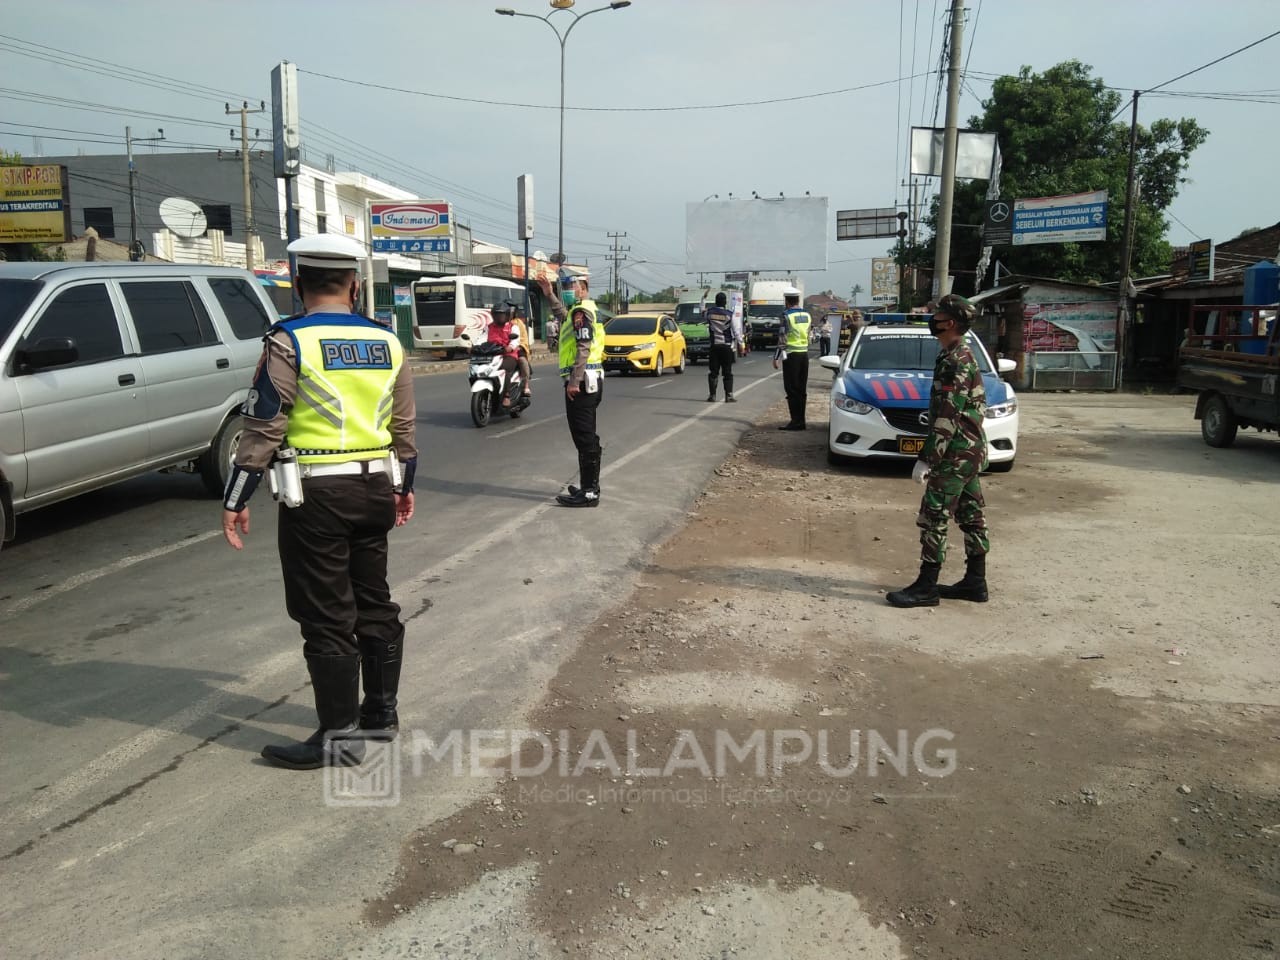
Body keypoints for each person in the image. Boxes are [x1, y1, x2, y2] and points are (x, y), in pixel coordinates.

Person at [221, 233, 418, 769]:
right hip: (376, 485)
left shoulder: (288, 341)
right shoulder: (388, 341)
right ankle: (380, 716)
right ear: (354, 284)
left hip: (317, 495)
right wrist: (404, 486)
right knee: (374, 601)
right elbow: (403, 426)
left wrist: (237, 494)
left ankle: (341, 736)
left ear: (298, 283)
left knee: (328, 614)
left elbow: (264, 425)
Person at [887, 294, 990, 608]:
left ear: (952, 323)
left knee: (934, 517)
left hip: (954, 454)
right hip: (968, 452)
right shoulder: (954, 355)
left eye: (938, 315)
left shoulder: (956, 360)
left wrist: (926, 458)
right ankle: (975, 582)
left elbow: (948, 414)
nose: (933, 319)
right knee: (971, 516)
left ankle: (926, 587)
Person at [538, 270, 605, 507]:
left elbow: (583, 346)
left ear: (584, 289)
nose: (568, 289)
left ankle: (589, 493)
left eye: (572, 285)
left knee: (584, 436)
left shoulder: (582, 311)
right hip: (590, 379)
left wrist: (575, 381)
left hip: (583, 382)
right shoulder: (581, 311)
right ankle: (589, 486)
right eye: (565, 285)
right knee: (585, 436)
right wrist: (549, 294)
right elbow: (563, 316)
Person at [771, 286, 812, 430]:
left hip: (791, 355)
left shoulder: (786, 315)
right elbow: (809, 336)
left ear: (787, 301)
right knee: (801, 389)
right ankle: (801, 420)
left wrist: (776, 357)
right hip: (804, 354)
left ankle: (796, 421)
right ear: (798, 300)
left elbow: (782, 337)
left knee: (791, 388)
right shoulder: (807, 315)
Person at [485, 299, 523, 407]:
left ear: (507, 315)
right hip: (492, 355)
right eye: (497, 315)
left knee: (503, 369)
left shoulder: (512, 327)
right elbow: (481, 338)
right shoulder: (489, 327)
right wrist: (473, 346)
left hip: (509, 355)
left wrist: (510, 347)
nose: (499, 317)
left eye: (501, 315)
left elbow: (516, 340)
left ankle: (506, 395)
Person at [704, 291, 740, 403]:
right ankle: (729, 396)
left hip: (714, 347)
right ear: (725, 302)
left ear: (715, 302)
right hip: (726, 347)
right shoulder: (729, 314)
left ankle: (712, 396)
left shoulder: (709, 313)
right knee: (727, 372)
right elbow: (736, 331)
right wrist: (741, 344)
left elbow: (701, 310)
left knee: (713, 372)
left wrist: (703, 299)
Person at [511, 301, 534, 399]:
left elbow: (523, 339)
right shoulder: (498, 322)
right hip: (502, 349)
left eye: (511, 310)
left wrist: (517, 346)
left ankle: (526, 385)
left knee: (522, 361)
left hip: (518, 348)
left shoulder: (518, 323)